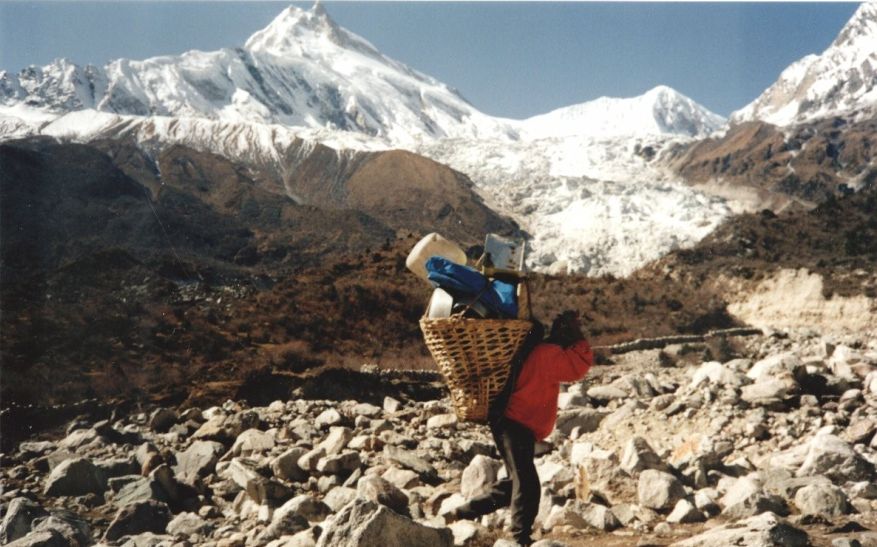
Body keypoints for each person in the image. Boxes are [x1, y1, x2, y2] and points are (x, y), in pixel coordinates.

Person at [445, 310, 594, 546]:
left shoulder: (535, 352)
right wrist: (579, 339)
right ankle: (519, 537)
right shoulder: (548, 354)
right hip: (516, 424)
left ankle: (463, 513)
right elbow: (579, 366)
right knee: (527, 483)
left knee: (516, 480)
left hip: (508, 422)